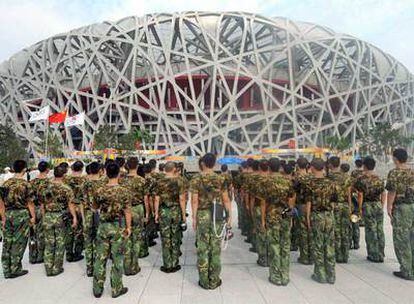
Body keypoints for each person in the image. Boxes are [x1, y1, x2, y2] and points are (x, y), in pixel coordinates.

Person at [190, 153, 232, 289]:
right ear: (214, 163)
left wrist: (194, 218)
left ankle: (203, 280)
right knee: (215, 248)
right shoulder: (221, 179)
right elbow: (226, 199)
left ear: (203, 163)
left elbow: (194, 200)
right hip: (217, 215)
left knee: (202, 248)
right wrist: (229, 216)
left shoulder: (196, 178)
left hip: (202, 215)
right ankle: (214, 280)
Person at [93, 162, 132, 298]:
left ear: (106, 173)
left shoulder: (99, 190)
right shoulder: (124, 191)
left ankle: (97, 289)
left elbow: (95, 208)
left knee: (100, 257)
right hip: (118, 226)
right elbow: (127, 211)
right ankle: (116, 289)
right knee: (117, 258)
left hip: (103, 227)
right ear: (119, 174)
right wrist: (129, 227)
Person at [0, 160, 36, 279]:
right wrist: (33, 217)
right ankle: (15, 269)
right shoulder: (26, 184)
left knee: (7, 242)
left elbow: (1, 203)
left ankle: (6, 269)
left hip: (8, 213)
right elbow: (30, 203)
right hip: (21, 214)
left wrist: (3, 217)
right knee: (19, 242)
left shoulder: (5, 184)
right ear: (24, 170)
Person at [263, 158, 295, 285]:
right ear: (280, 167)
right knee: (285, 245)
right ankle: (285, 275)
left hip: (272, 216)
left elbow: (263, 202)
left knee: (274, 245)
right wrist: (290, 216)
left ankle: (275, 276)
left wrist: (262, 219)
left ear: (269, 168)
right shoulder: (288, 182)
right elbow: (291, 200)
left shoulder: (266, 182)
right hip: (285, 215)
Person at [305, 158, 338, 284]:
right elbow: (334, 202)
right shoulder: (331, 183)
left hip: (316, 215)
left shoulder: (310, 183)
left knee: (318, 245)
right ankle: (331, 275)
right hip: (329, 216)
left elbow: (308, 203)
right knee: (329, 245)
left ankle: (320, 275)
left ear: (313, 167)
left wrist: (308, 218)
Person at [42, 166, 77, 276]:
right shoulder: (66, 188)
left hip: (48, 215)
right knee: (60, 243)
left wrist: (44, 216)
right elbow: (71, 205)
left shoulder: (46, 187)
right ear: (63, 175)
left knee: (49, 243)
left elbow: (42, 204)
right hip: (60, 216)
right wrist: (74, 217)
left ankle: (48, 268)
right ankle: (57, 268)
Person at [386, 148, 414, 280]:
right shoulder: (412, 171)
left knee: (401, 239)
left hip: (402, 208)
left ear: (395, 158)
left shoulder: (394, 173)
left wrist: (389, 206)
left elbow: (392, 191)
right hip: (413, 206)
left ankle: (407, 270)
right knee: (412, 238)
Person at [154, 162, 187, 273]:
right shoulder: (180, 181)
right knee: (175, 236)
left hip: (163, 211)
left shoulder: (159, 182)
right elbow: (182, 199)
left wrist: (156, 213)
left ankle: (167, 265)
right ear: (174, 169)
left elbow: (157, 199)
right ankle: (174, 263)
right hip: (176, 211)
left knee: (165, 238)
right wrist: (183, 215)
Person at [354, 156, 386, 263]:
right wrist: (382, 204)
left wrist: (359, 208)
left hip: (367, 205)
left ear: (365, 166)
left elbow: (360, 195)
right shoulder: (379, 178)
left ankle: (373, 254)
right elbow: (383, 193)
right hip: (378, 204)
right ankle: (381, 253)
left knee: (370, 230)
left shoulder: (361, 179)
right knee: (379, 229)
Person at [120, 157, 147, 275]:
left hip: (125, 209)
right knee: (136, 238)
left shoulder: (121, 180)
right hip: (138, 209)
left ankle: (126, 266)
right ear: (137, 166)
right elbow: (145, 199)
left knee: (126, 237)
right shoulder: (142, 181)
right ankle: (134, 266)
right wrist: (147, 213)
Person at [82, 162, 107, 277]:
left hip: (87, 213)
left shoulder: (85, 183)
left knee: (88, 241)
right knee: (99, 241)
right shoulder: (104, 182)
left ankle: (89, 268)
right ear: (100, 170)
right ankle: (98, 267)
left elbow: (82, 202)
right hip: (100, 213)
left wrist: (82, 217)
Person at [328, 156, 352, 263]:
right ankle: (345, 255)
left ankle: (337, 255)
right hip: (345, 205)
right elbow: (349, 193)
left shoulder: (329, 176)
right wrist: (350, 206)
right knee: (345, 230)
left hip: (335, 205)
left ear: (330, 164)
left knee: (336, 230)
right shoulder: (346, 177)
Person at [63, 161, 86, 262]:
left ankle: (68, 253)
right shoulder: (84, 180)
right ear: (81, 169)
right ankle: (77, 252)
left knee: (69, 231)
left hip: (68, 207)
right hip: (80, 207)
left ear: (72, 168)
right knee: (79, 232)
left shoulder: (66, 179)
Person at [28, 161, 51, 264]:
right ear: (47, 169)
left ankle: (33, 255)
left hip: (33, 208)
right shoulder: (49, 182)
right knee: (42, 233)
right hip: (44, 209)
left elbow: (28, 199)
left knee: (33, 233)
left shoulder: (32, 182)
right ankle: (40, 256)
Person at [293, 157, 313, 265]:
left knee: (302, 232)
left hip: (300, 206)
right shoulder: (313, 178)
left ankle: (304, 256)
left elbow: (293, 194)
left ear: (297, 165)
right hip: (312, 207)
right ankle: (312, 255)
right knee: (311, 231)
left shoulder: (297, 179)